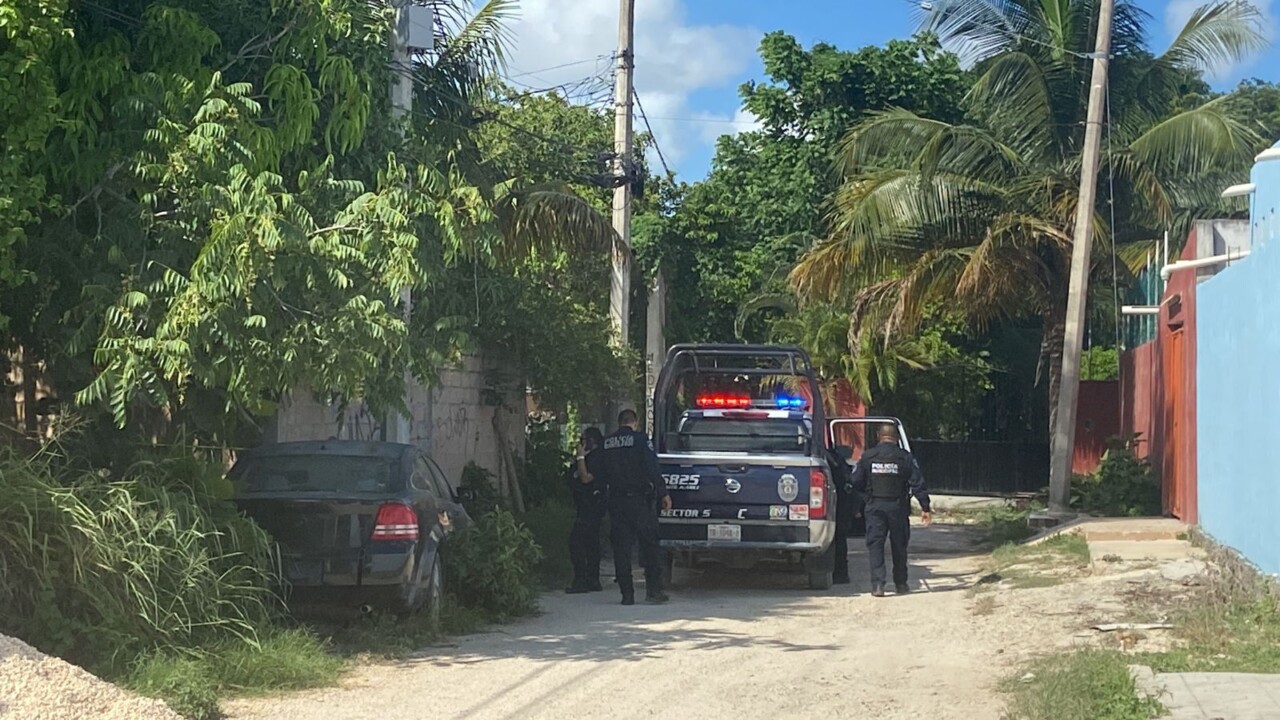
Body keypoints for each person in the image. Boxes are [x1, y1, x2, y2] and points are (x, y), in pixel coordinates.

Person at [585, 408, 673, 605]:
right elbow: (652, 468)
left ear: (619, 423)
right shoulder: (641, 440)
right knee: (649, 545)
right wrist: (663, 493)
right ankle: (653, 591)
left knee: (621, 549)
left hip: (616, 502)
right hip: (640, 501)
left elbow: (597, 472)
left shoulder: (607, 443)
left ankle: (627, 594)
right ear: (635, 423)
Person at [849, 424, 931, 597]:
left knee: (876, 545)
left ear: (879, 435)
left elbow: (855, 481)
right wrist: (925, 506)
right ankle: (901, 584)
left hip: (875, 507)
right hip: (898, 507)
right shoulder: (905, 457)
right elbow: (917, 482)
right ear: (897, 438)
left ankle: (878, 585)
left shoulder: (868, 456)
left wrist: (864, 499)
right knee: (899, 545)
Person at [565, 427, 606, 594]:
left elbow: (585, 478)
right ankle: (592, 579)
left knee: (576, 542)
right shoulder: (592, 457)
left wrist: (580, 456)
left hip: (591, 506)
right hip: (584, 505)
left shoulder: (597, 459)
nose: (581, 443)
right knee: (591, 543)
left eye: (584, 440)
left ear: (592, 441)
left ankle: (582, 579)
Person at [826, 446, 854, 585]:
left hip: (834, 503)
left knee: (838, 538)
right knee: (839, 538)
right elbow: (850, 481)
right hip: (839, 504)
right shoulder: (833, 458)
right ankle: (841, 573)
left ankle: (841, 573)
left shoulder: (830, 457)